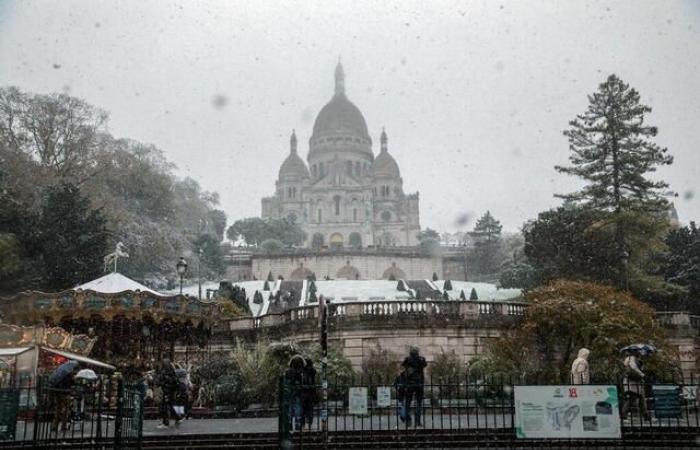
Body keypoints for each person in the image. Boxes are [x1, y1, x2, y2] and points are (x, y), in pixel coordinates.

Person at [48, 360, 79, 433]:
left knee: (58, 410)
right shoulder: (68, 375)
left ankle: (54, 426)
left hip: (57, 393)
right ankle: (63, 426)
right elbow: (72, 383)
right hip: (65, 393)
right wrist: (74, 379)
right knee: (66, 410)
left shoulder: (59, 375)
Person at [621, 350, 651, 420]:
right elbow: (634, 367)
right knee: (633, 398)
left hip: (635, 382)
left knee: (640, 398)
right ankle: (623, 414)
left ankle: (645, 415)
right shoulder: (631, 358)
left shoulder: (634, 359)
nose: (640, 353)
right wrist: (642, 374)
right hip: (632, 382)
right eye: (638, 352)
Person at [401, 347, 427, 427]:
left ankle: (408, 421)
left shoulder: (408, 360)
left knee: (408, 403)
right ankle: (418, 421)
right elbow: (424, 365)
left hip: (410, 383)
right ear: (417, 352)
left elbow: (403, 366)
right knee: (418, 403)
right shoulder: (421, 359)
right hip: (419, 383)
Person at [155, 358, 181, 429]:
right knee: (171, 405)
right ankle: (178, 418)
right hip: (171, 391)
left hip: (166, 391)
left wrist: (162, 384)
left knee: (164, 407)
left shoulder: (164, 372)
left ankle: (165, 423)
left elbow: (158, 382)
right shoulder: (172, 371)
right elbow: (176, 382)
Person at [284, 355, 305, 431]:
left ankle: (289, 424)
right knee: (298, 408)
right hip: (298, 393)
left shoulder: (288, 371)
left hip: (290, 392)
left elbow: (285, 382)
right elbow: (302, 383)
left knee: (290, 409)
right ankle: (297, 424)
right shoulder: (300, 372)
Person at [301, 358, 317, 429]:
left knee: (303, 410)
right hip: (310, 393)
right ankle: (310, 424)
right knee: (310, 409)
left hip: (304, 393)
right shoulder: (313, 371)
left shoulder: (303, 371)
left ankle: (303, 424)